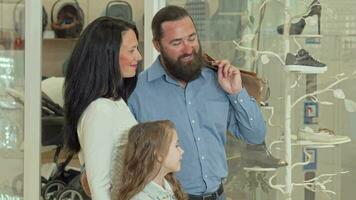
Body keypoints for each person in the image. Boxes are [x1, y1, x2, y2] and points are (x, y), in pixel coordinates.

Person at [128, 5, 267, 200]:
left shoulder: (217, 80)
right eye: (176, 42)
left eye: (192, 38)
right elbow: (123, 164)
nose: (188, 49)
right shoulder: (137, 92)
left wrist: (237, 93)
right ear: (157, 45)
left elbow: (255, 134)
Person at [63, 16, 142, 200]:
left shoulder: (116, 101)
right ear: (108, 55)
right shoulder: (100, 110)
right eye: (132, 50)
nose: (138, 56)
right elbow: (99, 186)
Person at [114, 120, 186, 200]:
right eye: (176, 145)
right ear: (158, 154)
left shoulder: (170, 187)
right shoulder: (140, 198)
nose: (182, 151)